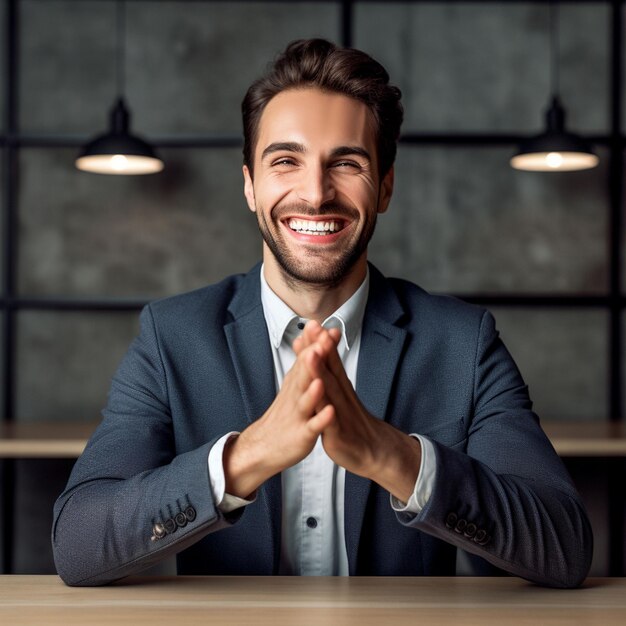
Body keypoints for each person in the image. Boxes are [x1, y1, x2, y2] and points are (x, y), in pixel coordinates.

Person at [52, 38, 592, 588]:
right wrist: (245, 458)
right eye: (286, 161)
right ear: (249, 186)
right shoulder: (172, 337)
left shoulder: (464, 344)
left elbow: (564, 546)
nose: (315, 194)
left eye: (347, 163)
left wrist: (392, 457)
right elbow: (77, 544)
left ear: (384, 188)